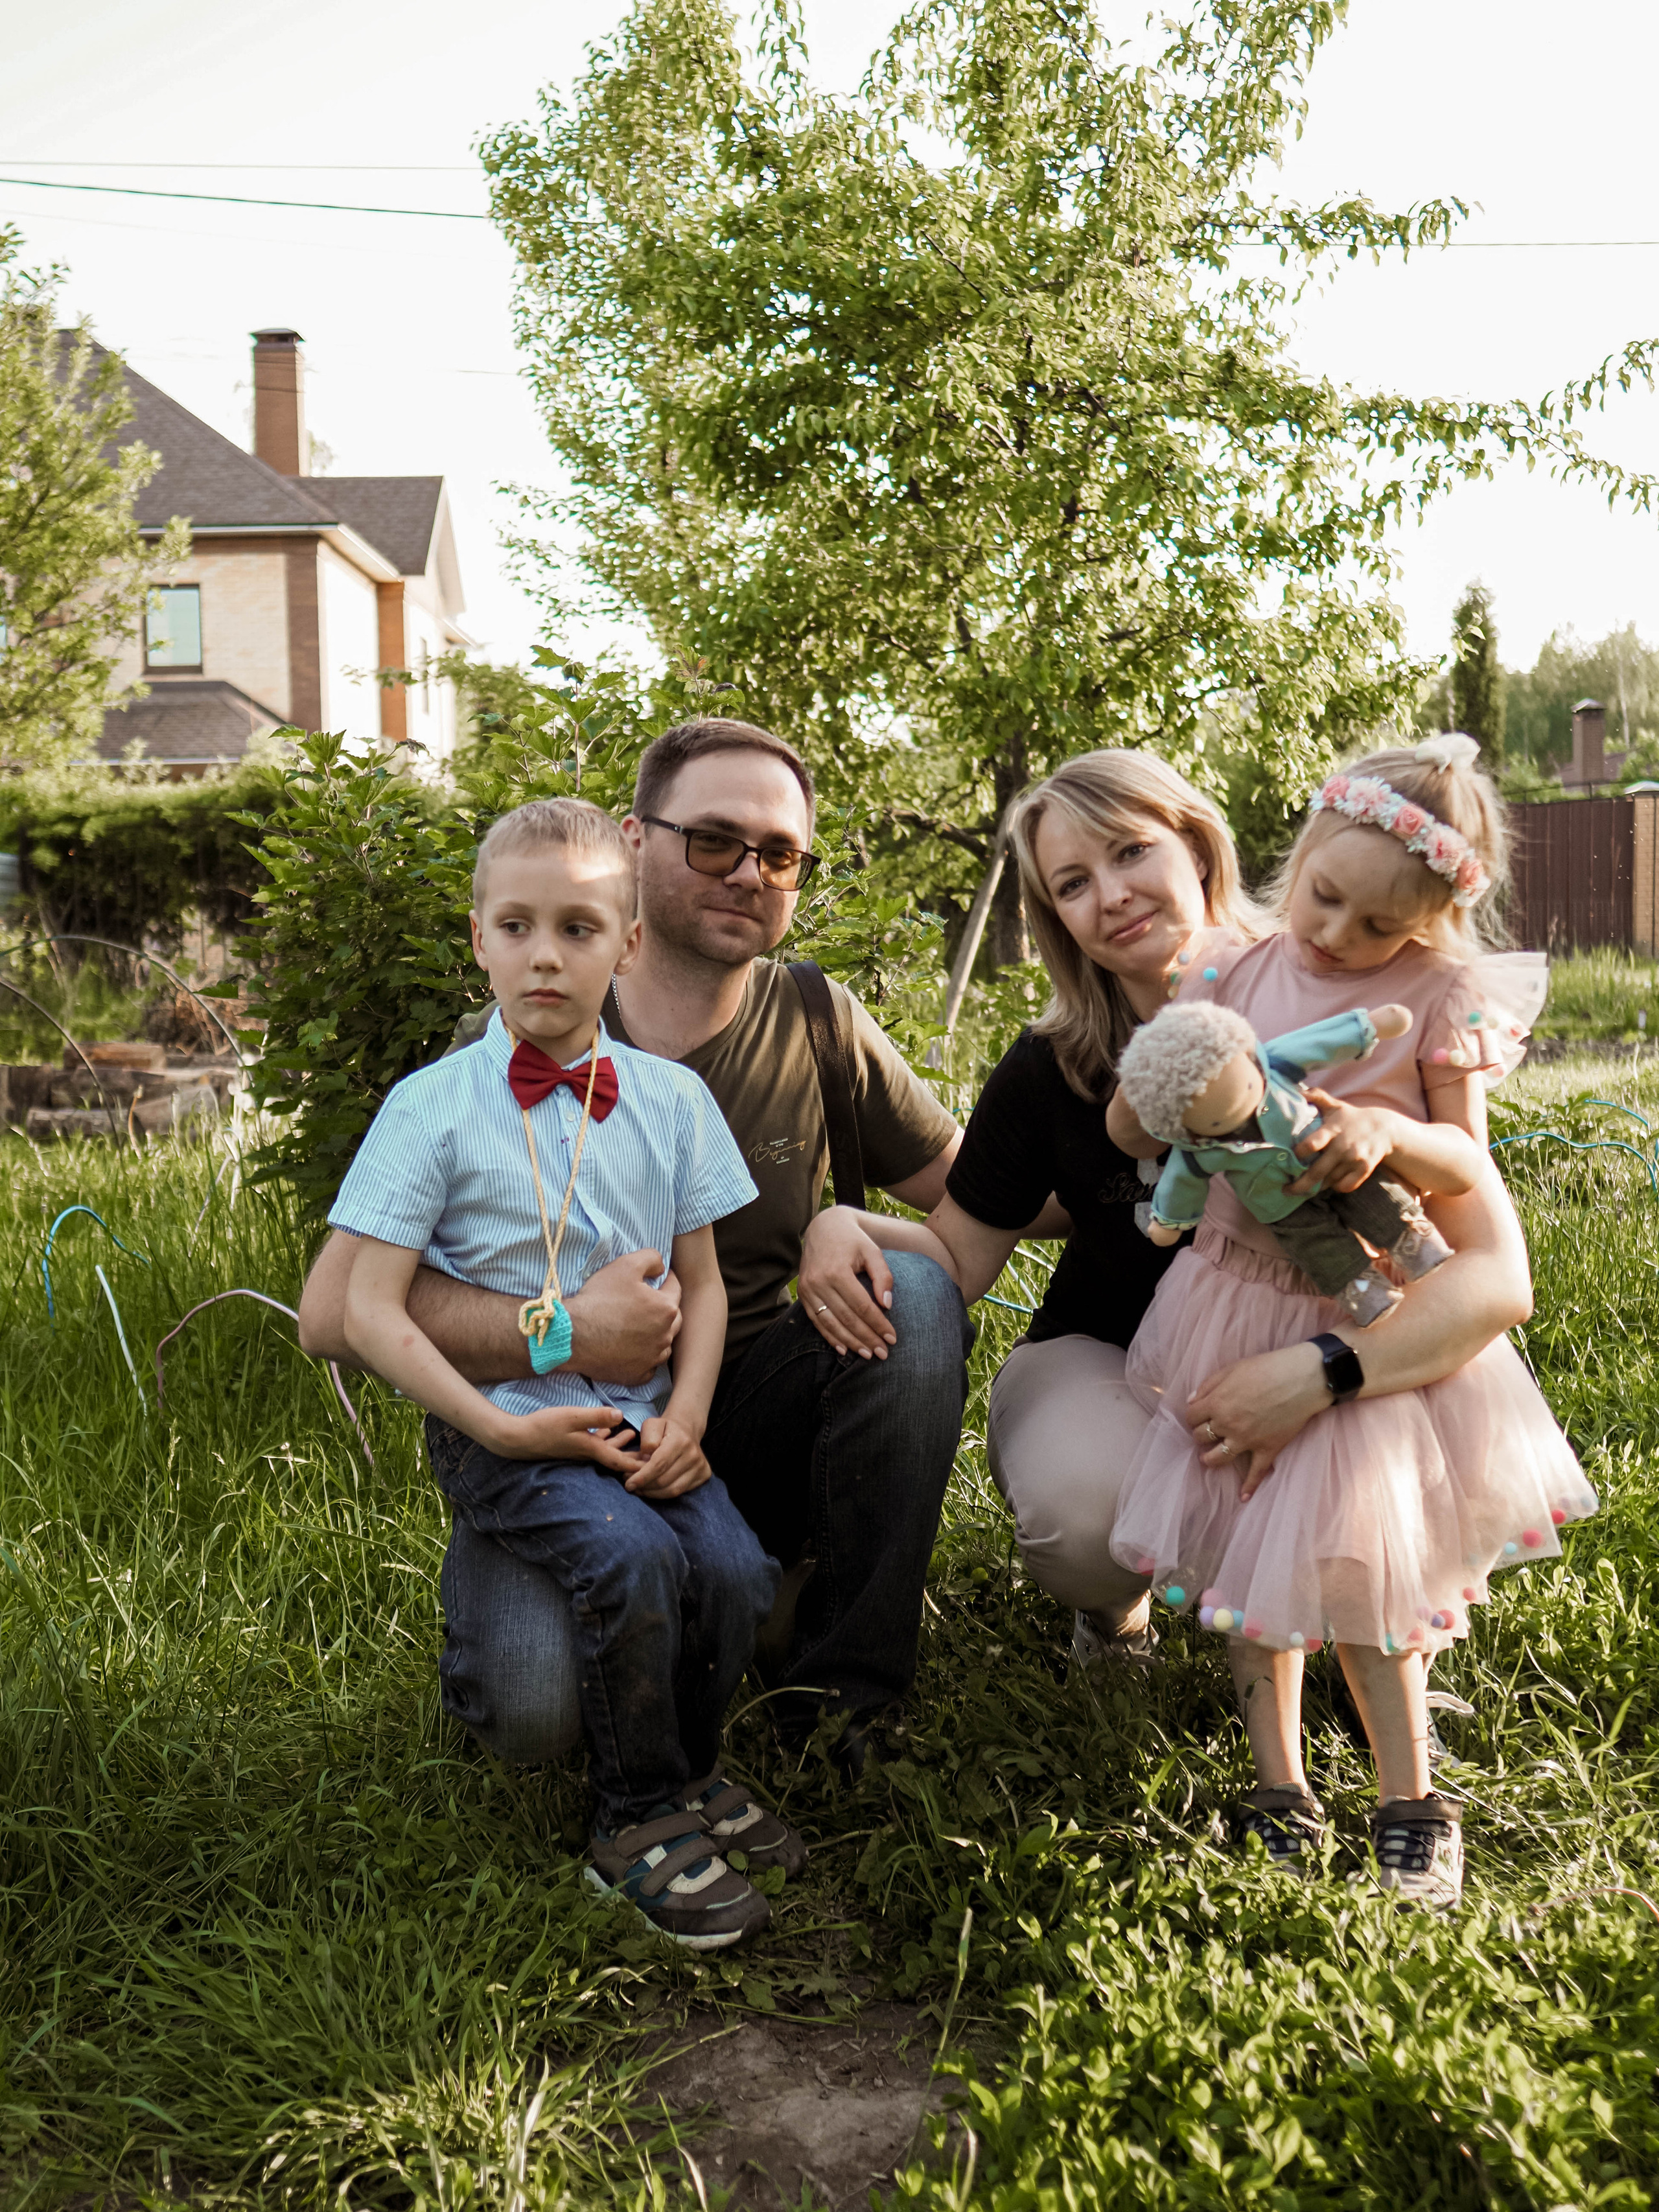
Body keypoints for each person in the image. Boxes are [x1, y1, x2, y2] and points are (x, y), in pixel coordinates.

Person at [299, 719, 971, 1776]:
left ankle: (841, 1705)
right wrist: (562, 1327)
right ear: (635, 842)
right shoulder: (511, 1037)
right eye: (713, 839)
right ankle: (661, 1622)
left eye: (780, 853)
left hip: (738, 1420)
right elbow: (333, 1314)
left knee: (920, 1294)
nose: (748, 871)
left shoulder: (817, 1020)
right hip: (567, 1432)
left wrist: (862, 1215)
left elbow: (980, 1207)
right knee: (532, 1714)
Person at [804, 748, 1534, 1718]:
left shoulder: (1376, 997)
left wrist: (1322, 1372)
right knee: (1086, 1516)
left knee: (1370, 1491)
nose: (1109, 895)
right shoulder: (1050, 1068)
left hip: (1328, 1345)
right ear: (1055, 916)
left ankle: (1361, 1646)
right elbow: (956, 1258)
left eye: (1129, 851)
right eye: (1072, 882)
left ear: (1195, 844)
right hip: (1116, 1360)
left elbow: (1489, 1277)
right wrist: (837, 1225)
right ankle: (1118, 1617)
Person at [1106, 733, 1588, 1907]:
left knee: (1367, 1579)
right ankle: (1279, 1787)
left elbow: (1467, 1159)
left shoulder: (1431, 997)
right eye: (1326, 898)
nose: (1339, 938)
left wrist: (1390, 1136)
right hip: (1228, 1294)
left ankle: (1410, 1799)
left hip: (1357, 1304)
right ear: (1304, 850)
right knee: (1243, 1559)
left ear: (1428, 922)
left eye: (1381, 926)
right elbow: (1138, 1128)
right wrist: (1164, 1088)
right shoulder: (1230, 970)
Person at [331, 795, 795, 1949]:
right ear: (479, 936)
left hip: (643, 1419)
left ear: (628, 945)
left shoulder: (675, 1103)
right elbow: (361, 1307)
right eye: (519, 925)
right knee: (629, 1556)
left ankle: (688, 1769)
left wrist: (689, 1414)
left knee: (735, 1571)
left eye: (580, 929)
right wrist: (494, 1429)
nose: (546, 953)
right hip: (504, 1426)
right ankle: (630, 1819)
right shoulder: (431, 1108)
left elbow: (710, 1283)